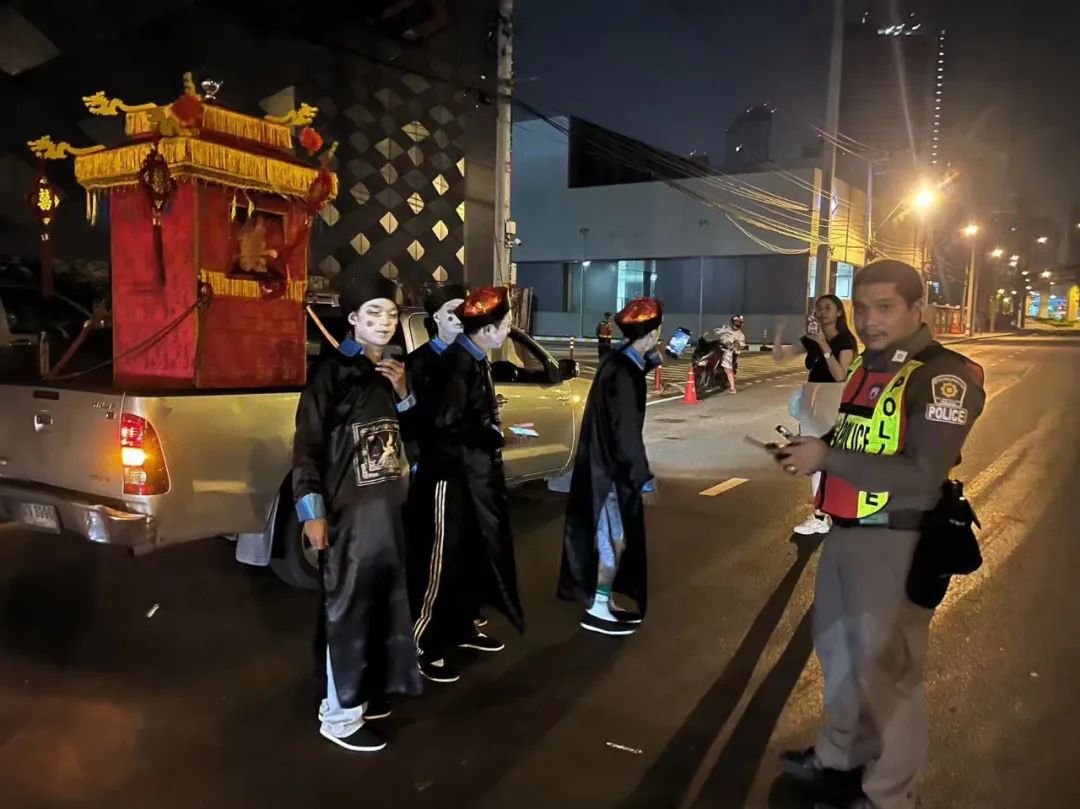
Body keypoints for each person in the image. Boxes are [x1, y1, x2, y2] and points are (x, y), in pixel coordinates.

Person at [769, 260, 985, 809]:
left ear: (918, 309)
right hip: (845, 533)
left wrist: (826, 458)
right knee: (840, 658)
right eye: (861, 308)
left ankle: (891, 794)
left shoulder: (943, 377)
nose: (868, 320)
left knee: (890, 676)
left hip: (897, 540)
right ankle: (841, 758)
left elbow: (922, 473)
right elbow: (856, 438)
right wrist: (811, 450)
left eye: (884, 307)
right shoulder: (871, 365)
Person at [292, 271, 422, 753]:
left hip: (386, 512)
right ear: (352, 318)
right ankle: (339, 716)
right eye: (374, 313)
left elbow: (411, 438)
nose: (385, 322)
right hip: (349, 514)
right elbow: (306, 446)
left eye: (391, 314)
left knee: (381, 604)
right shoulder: (331, 373)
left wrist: (405, 393)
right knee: (347, 607)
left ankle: (365, 692)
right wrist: (312, 512)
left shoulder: (391, 372)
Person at [409, 286, 525, 684]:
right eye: (506, 324)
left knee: (468, 557)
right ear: (488, 330)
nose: (508, 330)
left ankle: (460, 628)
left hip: (472, 477)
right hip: (447, 478)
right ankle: (420, 644)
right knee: (439, 562)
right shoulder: (454, 364)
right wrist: (494, 435)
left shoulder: (474, 359)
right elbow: (445, 424)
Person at [559, 297, 661, 636]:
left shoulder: (617, 361)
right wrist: (644, 479)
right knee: (613, 541)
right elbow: (627, 433)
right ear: (652, 334)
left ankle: (604, 601)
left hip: (601, 467)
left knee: (615, 539)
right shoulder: (625, 373)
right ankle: (597, 609)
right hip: (606, 475)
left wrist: (651, 360)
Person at [773, 294, 858, 535]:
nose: (821, 312)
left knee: (824, 459)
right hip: (813, 401)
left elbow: (840, 375)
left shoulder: (845, 340)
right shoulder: (810, 339)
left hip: (834, 402)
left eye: (827, 308)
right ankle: (823, 514)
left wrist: (823, 344)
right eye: (818, 308)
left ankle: (826, 514)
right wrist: (779, 331)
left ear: (839, 312)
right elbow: (780, 358)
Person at [721, 314, 747, 393]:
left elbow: (741, 347)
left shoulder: (741, 335)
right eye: (736, 321)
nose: (737, 323)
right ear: (732, 321)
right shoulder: (726, 330)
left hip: (730, 352)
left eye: (739, 322)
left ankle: (733, 388)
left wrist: (736, 343)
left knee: (728, 369)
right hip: (720, 349)